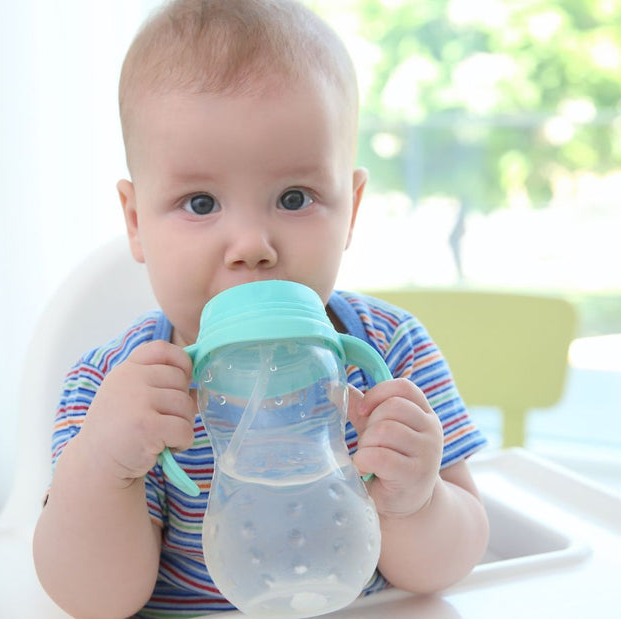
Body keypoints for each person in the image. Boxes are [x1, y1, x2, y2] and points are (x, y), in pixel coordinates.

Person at [33, 1, 490, 616]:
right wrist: (104, 464)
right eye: (200, 203)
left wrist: (417, 500)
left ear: (351, 210)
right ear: (137, 222)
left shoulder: (390, 351)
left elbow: (449, 567)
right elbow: (93, 601)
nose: (252, 245)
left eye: (294, 197)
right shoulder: (113, 389)